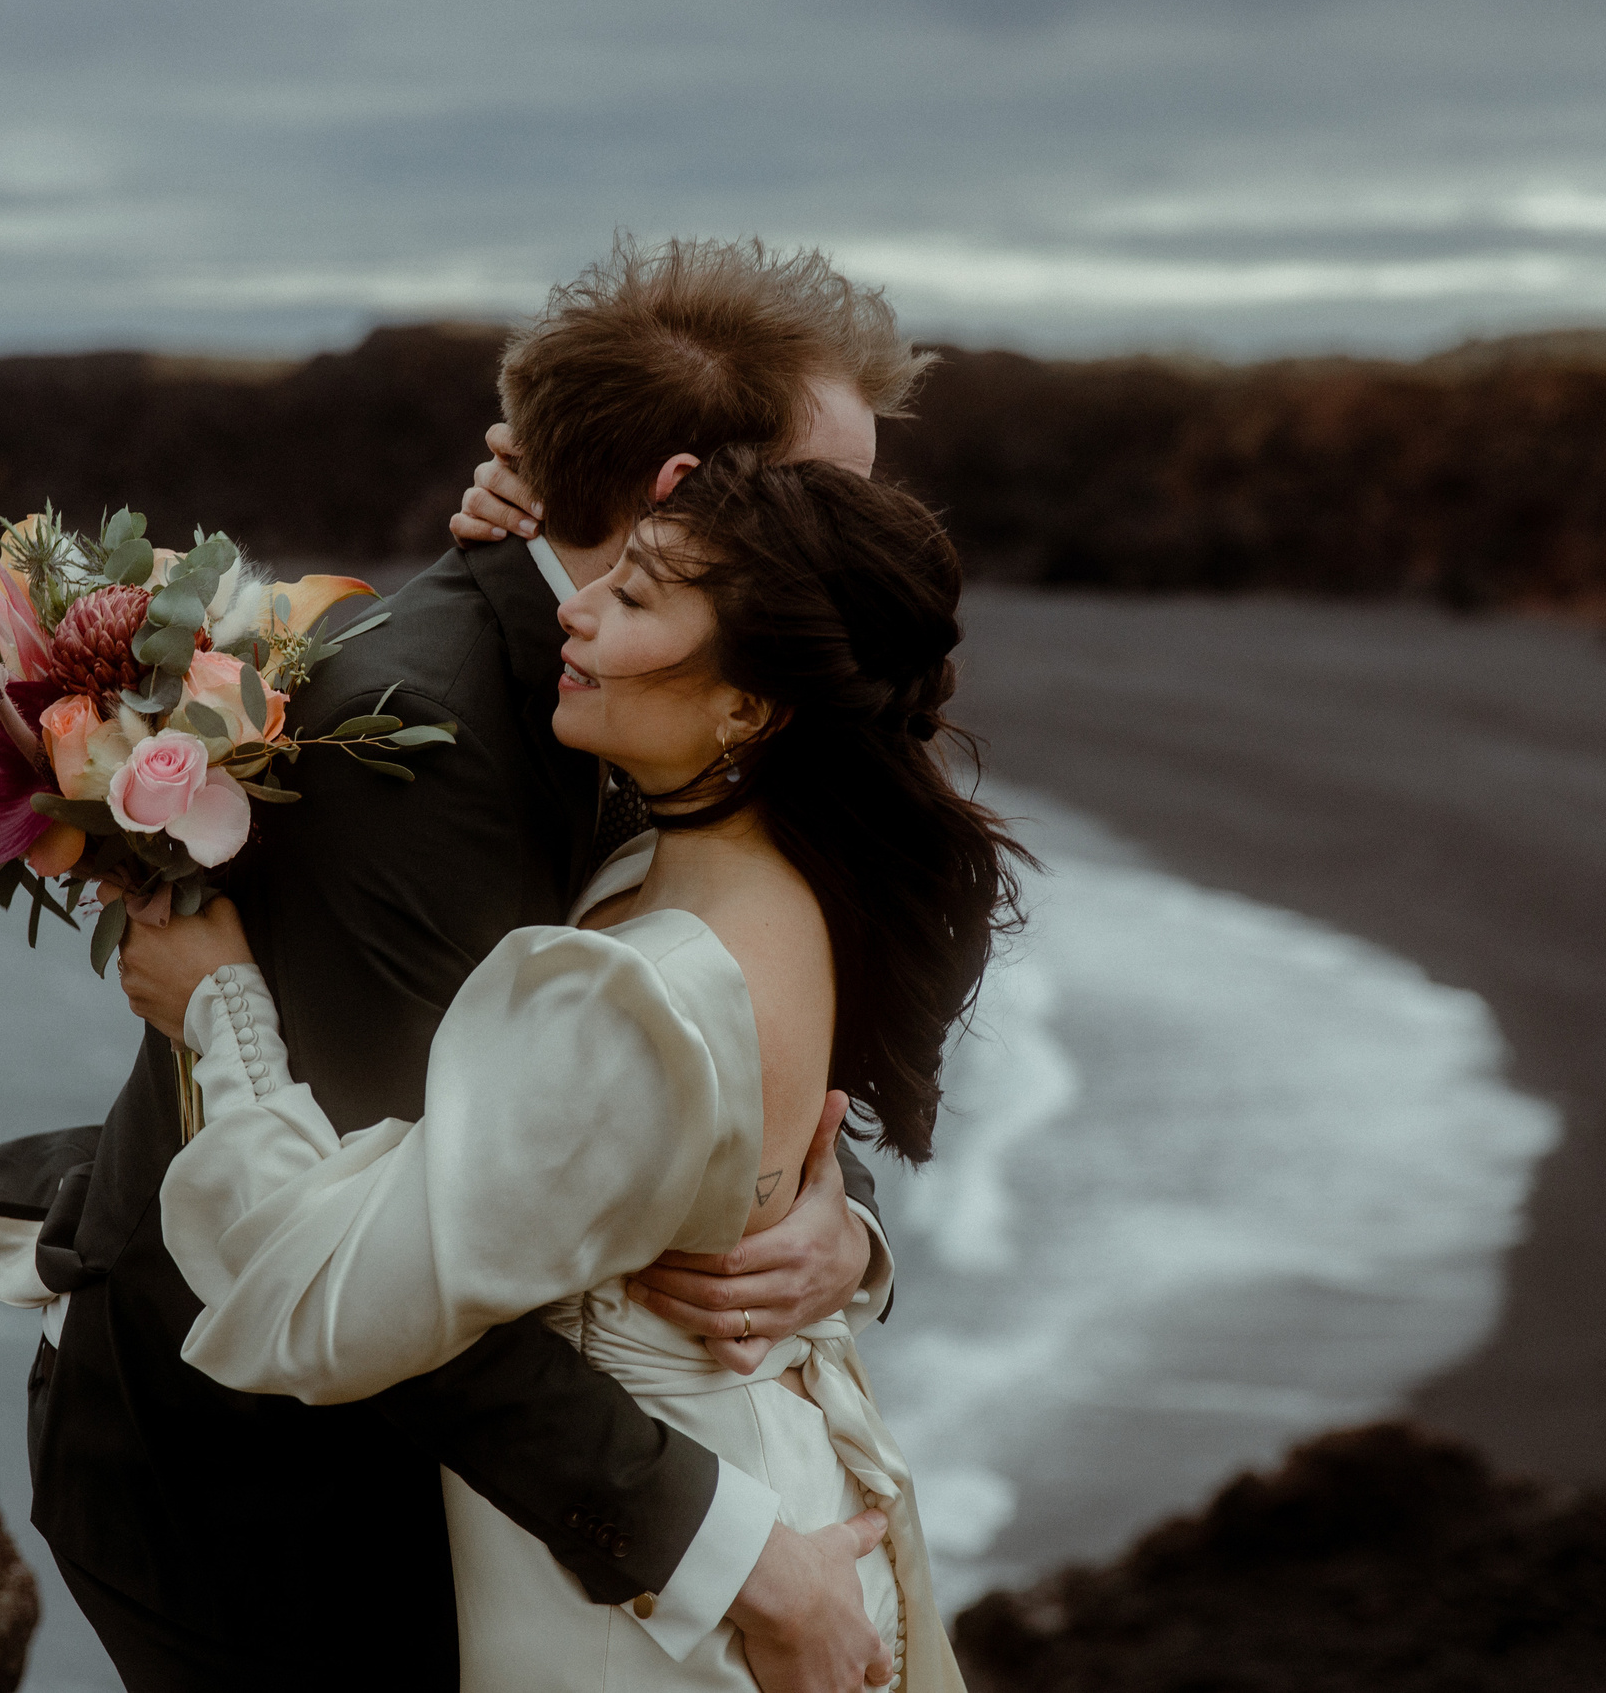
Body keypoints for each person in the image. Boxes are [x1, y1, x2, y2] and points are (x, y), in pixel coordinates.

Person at [0, 238, 938, 1688]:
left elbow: (726, 1031)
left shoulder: (681, 705)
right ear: (679, 493)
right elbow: (370, 1260)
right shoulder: (425, 736)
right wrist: (728, 1555)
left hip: (448, 1455)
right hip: (272, 1494)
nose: (863, 536)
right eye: (834, 494)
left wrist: (830, 1226)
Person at [126, 448, 1030, 1690]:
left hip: (654, 1624)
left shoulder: (649, 995)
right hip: (750, 1488)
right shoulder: (749, 871)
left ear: (749, 709)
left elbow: (317, 1309)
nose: (577, 608)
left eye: (638, 596)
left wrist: (220, 1014)